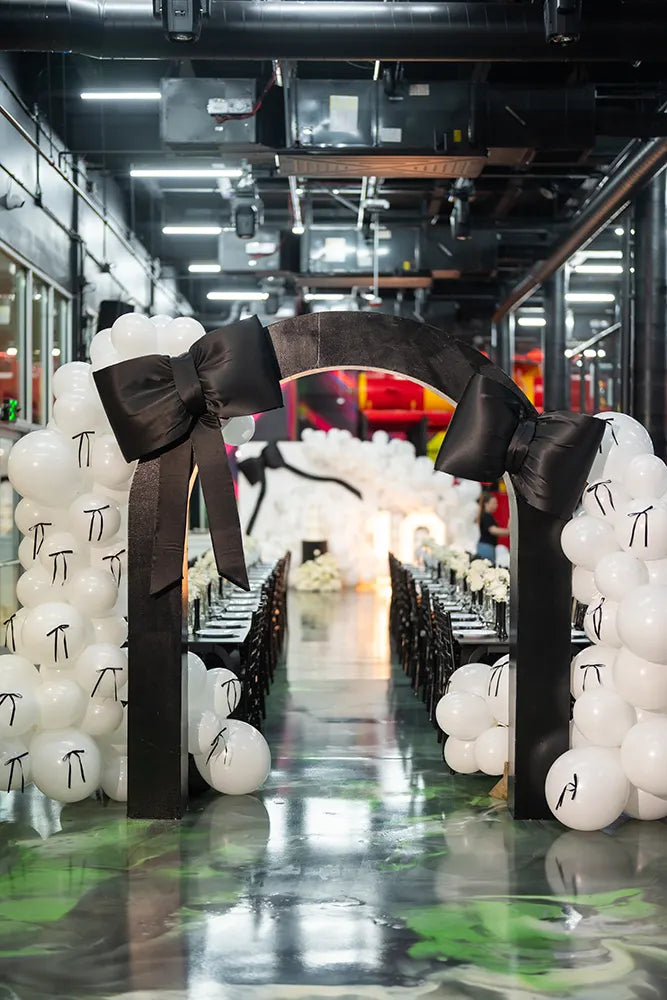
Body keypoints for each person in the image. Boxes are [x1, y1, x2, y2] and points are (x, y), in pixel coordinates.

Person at [476, 491, 509, 562]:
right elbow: (493, 530)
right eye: (494, 503)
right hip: (486, 547)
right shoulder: (486, 516)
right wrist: (509, 532)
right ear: (486, 504)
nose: (496, 505)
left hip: (485, 547)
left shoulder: (484, 515)